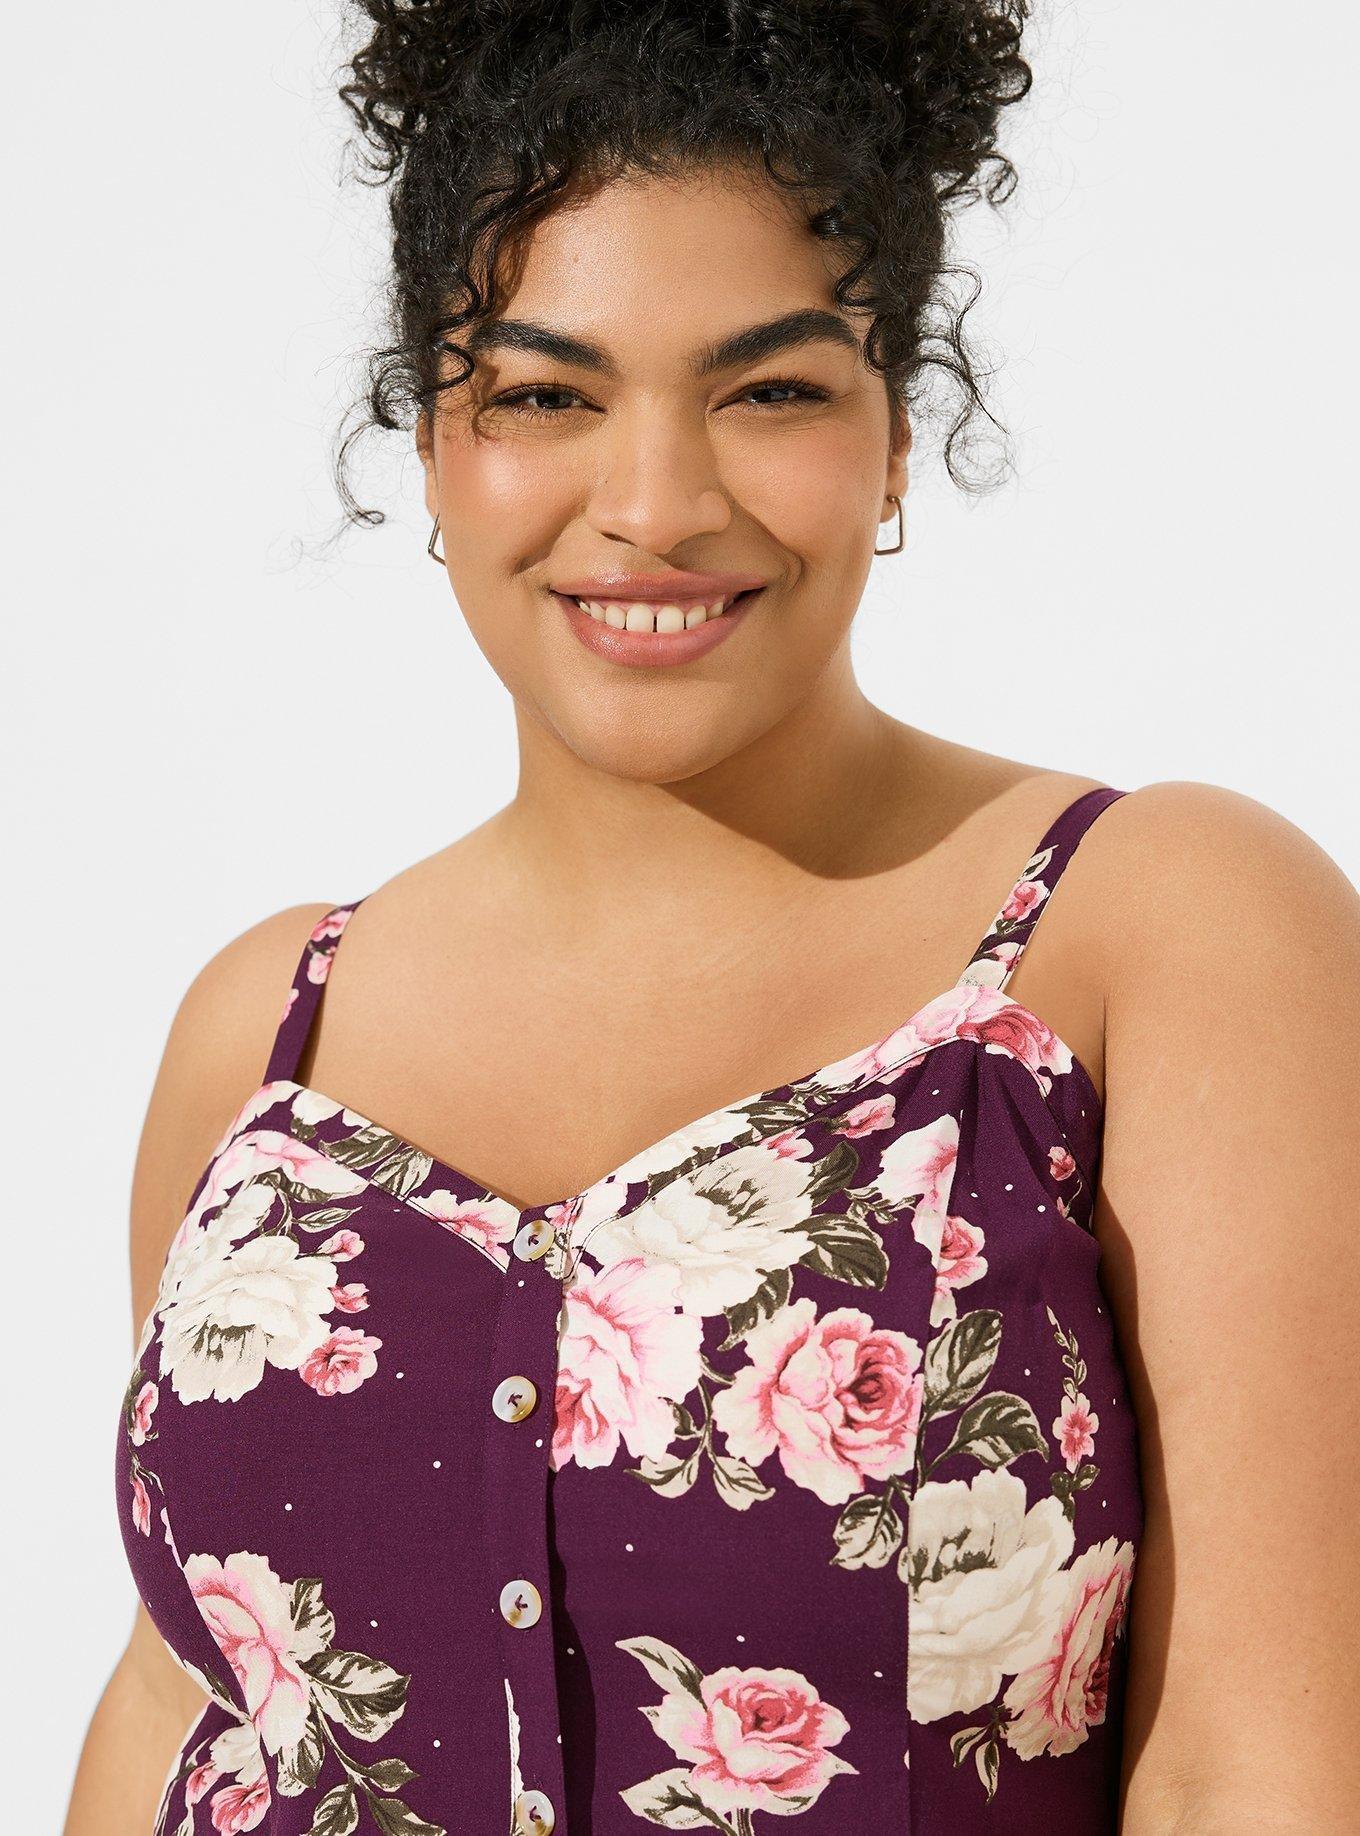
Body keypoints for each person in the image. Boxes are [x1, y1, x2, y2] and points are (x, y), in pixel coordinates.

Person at [67, 3, 1359, 1832]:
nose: (655, 506)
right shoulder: (267, 1032)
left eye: (770, 391)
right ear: (432, 447)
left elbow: (1260, 1766)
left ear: (896, 436)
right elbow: (176, 1688)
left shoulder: (1158, 933)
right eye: (545, 395)